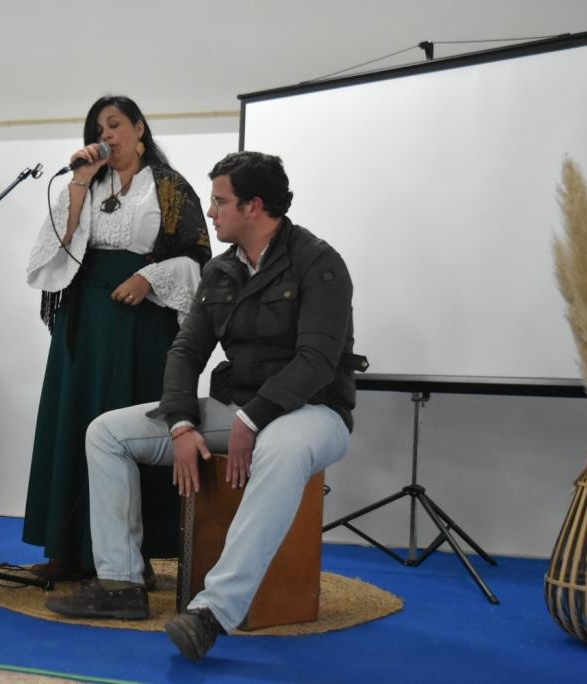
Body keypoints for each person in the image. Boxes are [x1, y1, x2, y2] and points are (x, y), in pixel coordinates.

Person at [46, 152, 358, 661]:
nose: (210, 212)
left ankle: (213, 611)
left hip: (315, 412)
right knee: (106, 432)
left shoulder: (318, 262)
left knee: (279, 446)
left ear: (254, 206)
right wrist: (182, 422)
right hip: (240, 408)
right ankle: (121, 584)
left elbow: (317, 362)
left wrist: (253, 418)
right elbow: (186, 351)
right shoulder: (220, 271)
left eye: (220, 201)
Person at [23, 95, 211, 581]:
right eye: (98, 129)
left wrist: (151, 277)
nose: (106, 135)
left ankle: (135, 557)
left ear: (139, 128)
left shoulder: (169, 187)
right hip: (84, 320)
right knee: (74, 419)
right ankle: (67, 550)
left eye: (114, 125)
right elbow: (57, 245)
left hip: (142, 321)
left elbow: (198, 257)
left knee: (130, 422)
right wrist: (79, 181)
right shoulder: (85, 183)